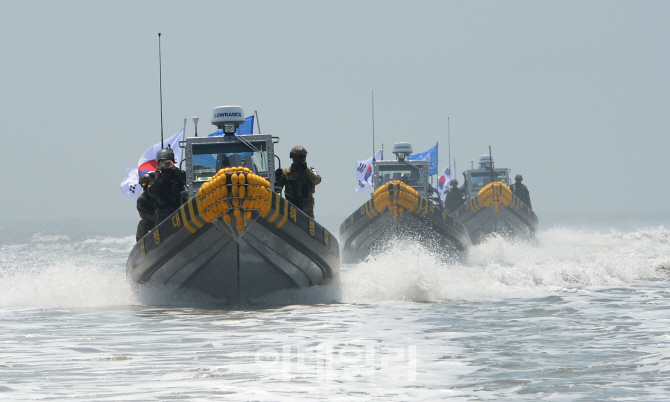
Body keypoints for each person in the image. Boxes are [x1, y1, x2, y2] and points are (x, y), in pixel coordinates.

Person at [274, 146, 321, 218]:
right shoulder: (287, 172)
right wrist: (276, 178)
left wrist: (306, 170)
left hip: (307, 209)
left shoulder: (310, 171)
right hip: (291, 207)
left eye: (303, 156)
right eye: (299, 157)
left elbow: (316, 181)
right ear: (293, 158)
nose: (301, 159)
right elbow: (277, 188)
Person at [149, 148, 187, 224]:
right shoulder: (156, 177)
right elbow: (152, 193)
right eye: (162, 163)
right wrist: (156, 178)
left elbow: (186, 180)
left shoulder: (178, 174)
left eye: (167, 162)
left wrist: (174, 168)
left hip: (179, 208)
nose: (165, 165)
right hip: (163, 211)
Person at [136, 172, 156, 241]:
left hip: (167, 216)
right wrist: (155, 218)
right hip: (154, 220)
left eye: (149, 183)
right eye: (144, 184)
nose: (147, 186)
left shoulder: (161, 192)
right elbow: (143, 214)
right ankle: (141, 245)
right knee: (143, 224)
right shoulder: (142, 199)